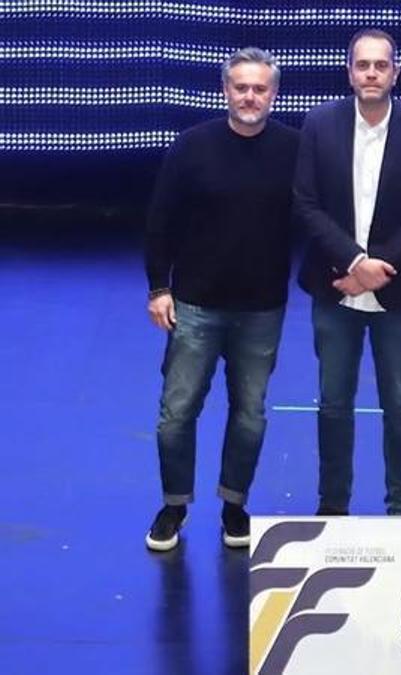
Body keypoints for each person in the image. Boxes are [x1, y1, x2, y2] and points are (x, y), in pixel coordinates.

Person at [143, 47, 298, 551]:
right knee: (176, 413)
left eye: (260, 88)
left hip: (262, 309)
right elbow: (159, 222)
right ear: (225, 90)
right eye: (241, 87)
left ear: (273, 94)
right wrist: (158, 288)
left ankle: (235, 505)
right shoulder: (191, 147)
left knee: (249, 413)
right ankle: (174, 505)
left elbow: (317, 219)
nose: (250, 96)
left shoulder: (295, 150)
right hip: (194, 305)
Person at [293, 28, 401, 516]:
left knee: (400, 406)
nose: (372, 73)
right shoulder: (318, 124)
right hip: (335, 286)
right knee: (333, 404)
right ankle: (332, 507)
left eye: (381, 65)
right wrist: (355, 263)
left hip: (397, 293)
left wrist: (380, 266)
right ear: (350, 72)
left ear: (395, 73)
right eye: (363, 65)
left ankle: (400, 509)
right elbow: (306, 202)